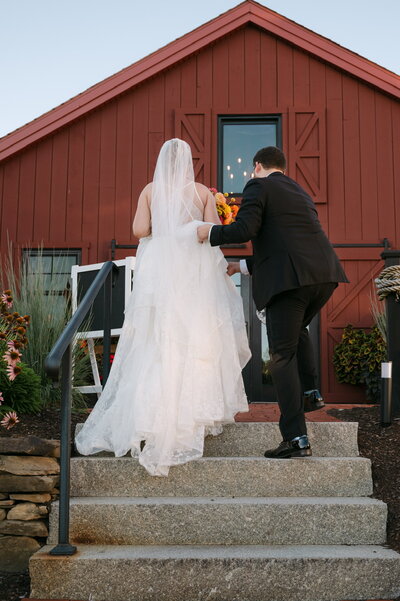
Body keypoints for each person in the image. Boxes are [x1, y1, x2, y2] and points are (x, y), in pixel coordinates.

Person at [75, 138, 251, 476]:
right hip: (191, 274)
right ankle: (192, 410)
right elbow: (211, 232)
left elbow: (140, 230)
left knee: (155, 337)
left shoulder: (150, 190)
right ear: (188, 163)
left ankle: (148, 414)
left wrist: (164, 226)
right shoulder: (201, 193)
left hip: (159, 271)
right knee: (194, 333)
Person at [198, 146, 348, 459]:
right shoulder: (298, 191)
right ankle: (310, 391)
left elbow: (245, 229)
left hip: (290, 283)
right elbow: (284, 243)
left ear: (257, 167)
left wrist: (207, 232)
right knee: (299, 331)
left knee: (281, 356)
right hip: (323, 275)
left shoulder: (258, 186)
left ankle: (295, 438)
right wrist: (238, 267)